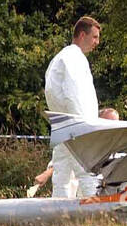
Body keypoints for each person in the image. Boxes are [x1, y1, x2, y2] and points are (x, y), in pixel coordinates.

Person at [43, 16, 108, 198]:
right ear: (82, 35)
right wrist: (86, 127)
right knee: (86, 173)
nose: (97, 42)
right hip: (77, 126)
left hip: (63, 125)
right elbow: (75, 94)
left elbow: (52, 93)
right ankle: (96, 216)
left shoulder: (61, 58)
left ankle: (59, 216)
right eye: (94, 37)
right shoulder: (74, 58)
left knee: (62, 176)